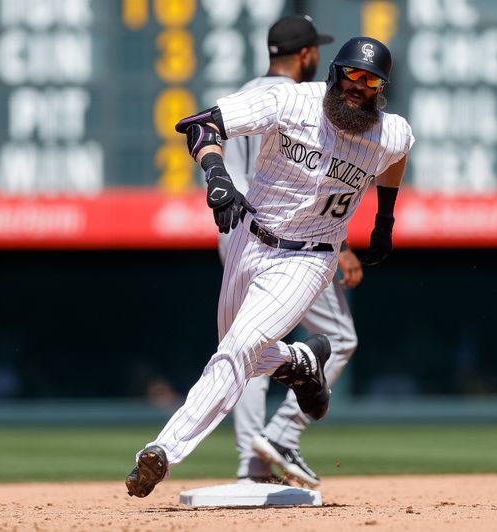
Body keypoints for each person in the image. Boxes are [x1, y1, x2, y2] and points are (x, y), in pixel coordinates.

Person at [125, 35, 414, 498]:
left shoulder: (390, 131)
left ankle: (162, 450)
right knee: (240, 351)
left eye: (371, 81)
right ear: (334, 73)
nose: (359, 87)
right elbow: (201, 125)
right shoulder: (290, 100)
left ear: (381, 88)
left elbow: (397, 157)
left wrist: (384, 221)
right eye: (352, 75)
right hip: (250, 240)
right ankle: (299, 362)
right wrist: (217, 177)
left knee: (237, 349)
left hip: (310, 256)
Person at [218, 15, 363, 487]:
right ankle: (280, 436)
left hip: (234, 236)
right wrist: (337, 244)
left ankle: (251, 466)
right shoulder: (303, 102)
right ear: (306, 55)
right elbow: (312, 178)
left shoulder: (243, 94)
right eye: (315, 50)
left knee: (246, 344)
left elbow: (208, 142)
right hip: (288, 239)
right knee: (339, 339)